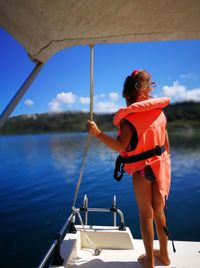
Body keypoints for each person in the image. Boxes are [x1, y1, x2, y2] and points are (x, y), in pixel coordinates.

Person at [87, 70, 171, 268]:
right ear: (146, 91)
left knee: (145, 215)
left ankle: (149, 262)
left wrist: (97, 133)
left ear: (128, 96)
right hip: (160, 168)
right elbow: (166, 145)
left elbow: (120, 147)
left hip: (142, 171)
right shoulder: (159, 113)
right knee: (159, 212)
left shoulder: (130, 119)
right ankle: (165, 255)